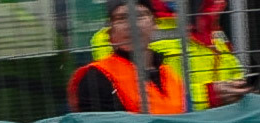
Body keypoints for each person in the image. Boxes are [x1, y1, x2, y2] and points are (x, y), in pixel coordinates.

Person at [91, 0, 251, 110]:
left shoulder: (207, 22)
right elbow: (126, 93)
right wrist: (208, 95)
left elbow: (230, 70)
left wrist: (239, 89)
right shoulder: (114, 36)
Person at [68, 0, 185, 113]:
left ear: (155, 24)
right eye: (121, 18)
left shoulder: (170, 76)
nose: (132, 25)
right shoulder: (95, 76)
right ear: (110, 32)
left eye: (139, 16)